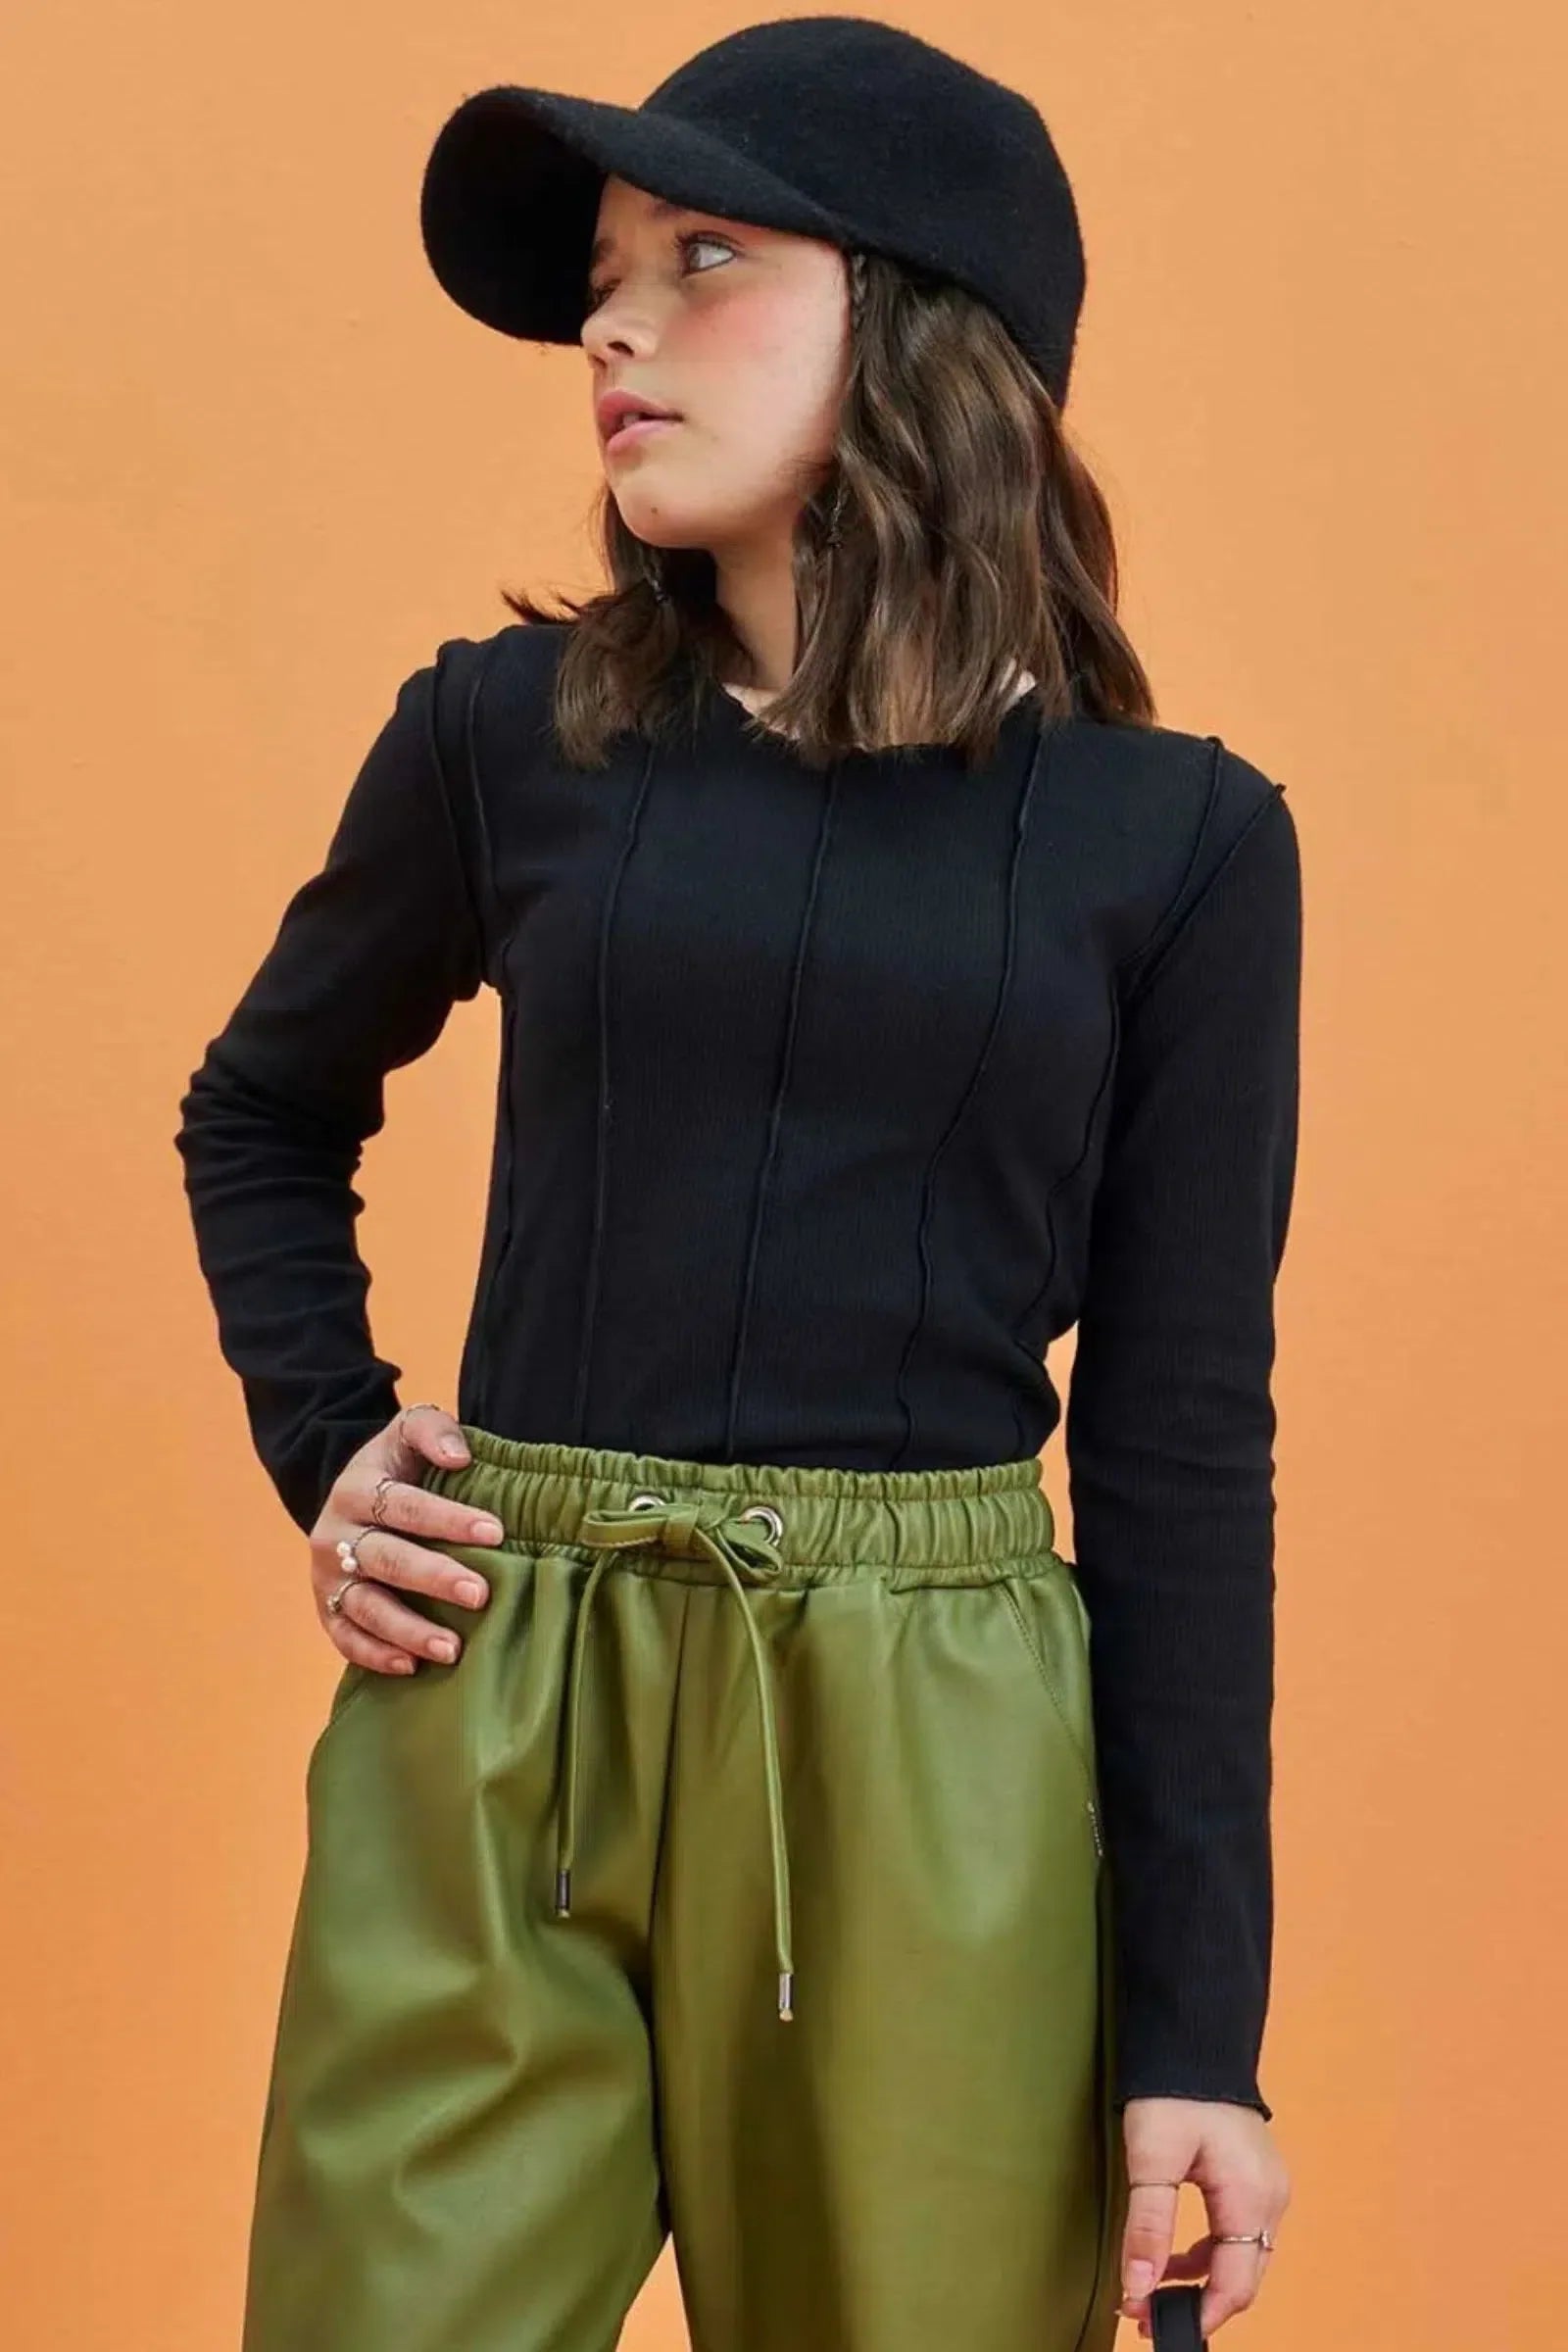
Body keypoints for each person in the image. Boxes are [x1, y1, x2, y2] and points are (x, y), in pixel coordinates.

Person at [173, 18, 1299, 2351]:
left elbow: (1179, 1439)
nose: (615, 328)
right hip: (505, 1697)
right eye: (605, 277)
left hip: (927, 1738)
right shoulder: (504, 737)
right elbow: (260, 1107)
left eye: (702, 259)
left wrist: (1196, 2036)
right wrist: (326, 1437)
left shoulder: (1174, 845)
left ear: (920, 325)